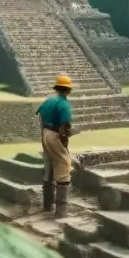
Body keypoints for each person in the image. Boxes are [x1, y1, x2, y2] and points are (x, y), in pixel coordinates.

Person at [37, 74, 75, 217]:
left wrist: (44, 135)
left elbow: (40, 116)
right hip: (54, 135)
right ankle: (61, 211)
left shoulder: (49, 100)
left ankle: (47, 205)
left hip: (45, 133)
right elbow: (64, 127)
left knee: (49, 167)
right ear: (68, 90)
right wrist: (64, 143)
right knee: (64, 165)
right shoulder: (64, 104)